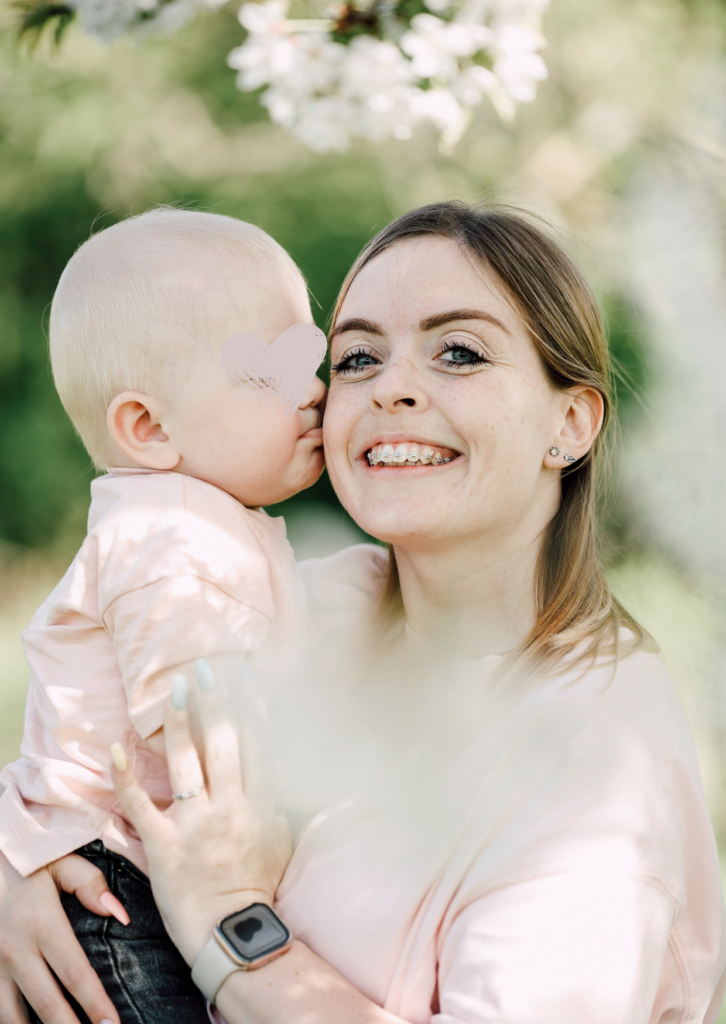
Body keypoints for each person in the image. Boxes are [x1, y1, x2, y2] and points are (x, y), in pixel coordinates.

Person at [1, 201, 724, 1024]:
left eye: (458, 351)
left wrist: (231, 923)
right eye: (354, 359)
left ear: (569, 423)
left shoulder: (595, 758)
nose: (393, 389)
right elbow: (85, 720)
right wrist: (25, 857)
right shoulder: (315, 609)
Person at [0, 208, 325, 1023]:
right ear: (149, 427)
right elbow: (198, 728)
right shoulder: (173, 535)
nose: (316, 392)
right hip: (114, 893)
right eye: (273, 375)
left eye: (311, 358)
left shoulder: (196, 519)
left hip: (130, 872)